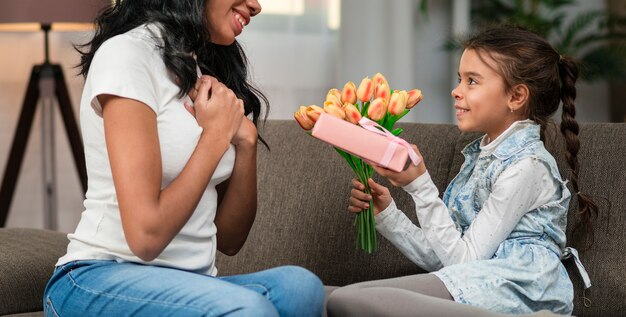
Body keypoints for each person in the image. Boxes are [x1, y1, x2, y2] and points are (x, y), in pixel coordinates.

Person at [43, 1, 324, 316]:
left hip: (187, 282)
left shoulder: (198, 69)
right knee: (251, 310)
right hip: (98, 276)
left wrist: (246, 142)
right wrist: (215, 137)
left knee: (301, 288)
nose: (256, 5)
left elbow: (230, 240)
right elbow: (145, 237)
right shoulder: (127, 55)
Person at [328, 26, 598, 317]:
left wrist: (420, 185)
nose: (456, 91)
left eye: (472, 81)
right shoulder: (480, 158)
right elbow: (446, 257)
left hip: (520, 294)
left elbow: (462, 262)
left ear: (516, 97)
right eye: (460, 79)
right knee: (328, 296)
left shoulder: (527, 168)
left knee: (346, 300)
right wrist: (388, 215)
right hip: (477, 282)